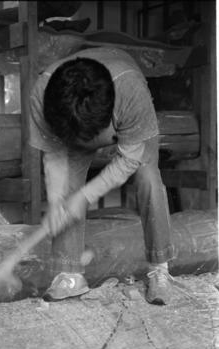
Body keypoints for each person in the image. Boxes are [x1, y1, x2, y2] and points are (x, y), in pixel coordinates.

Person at [30, 47, 175, 305]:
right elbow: (53, 157)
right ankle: (69, 273)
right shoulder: (41, 96)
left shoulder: (130, 92)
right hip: (70, 124)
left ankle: (159, 269)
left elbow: (130, 159)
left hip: (125, 110)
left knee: (148, 177)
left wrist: (85, 196)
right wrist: (57, 201)